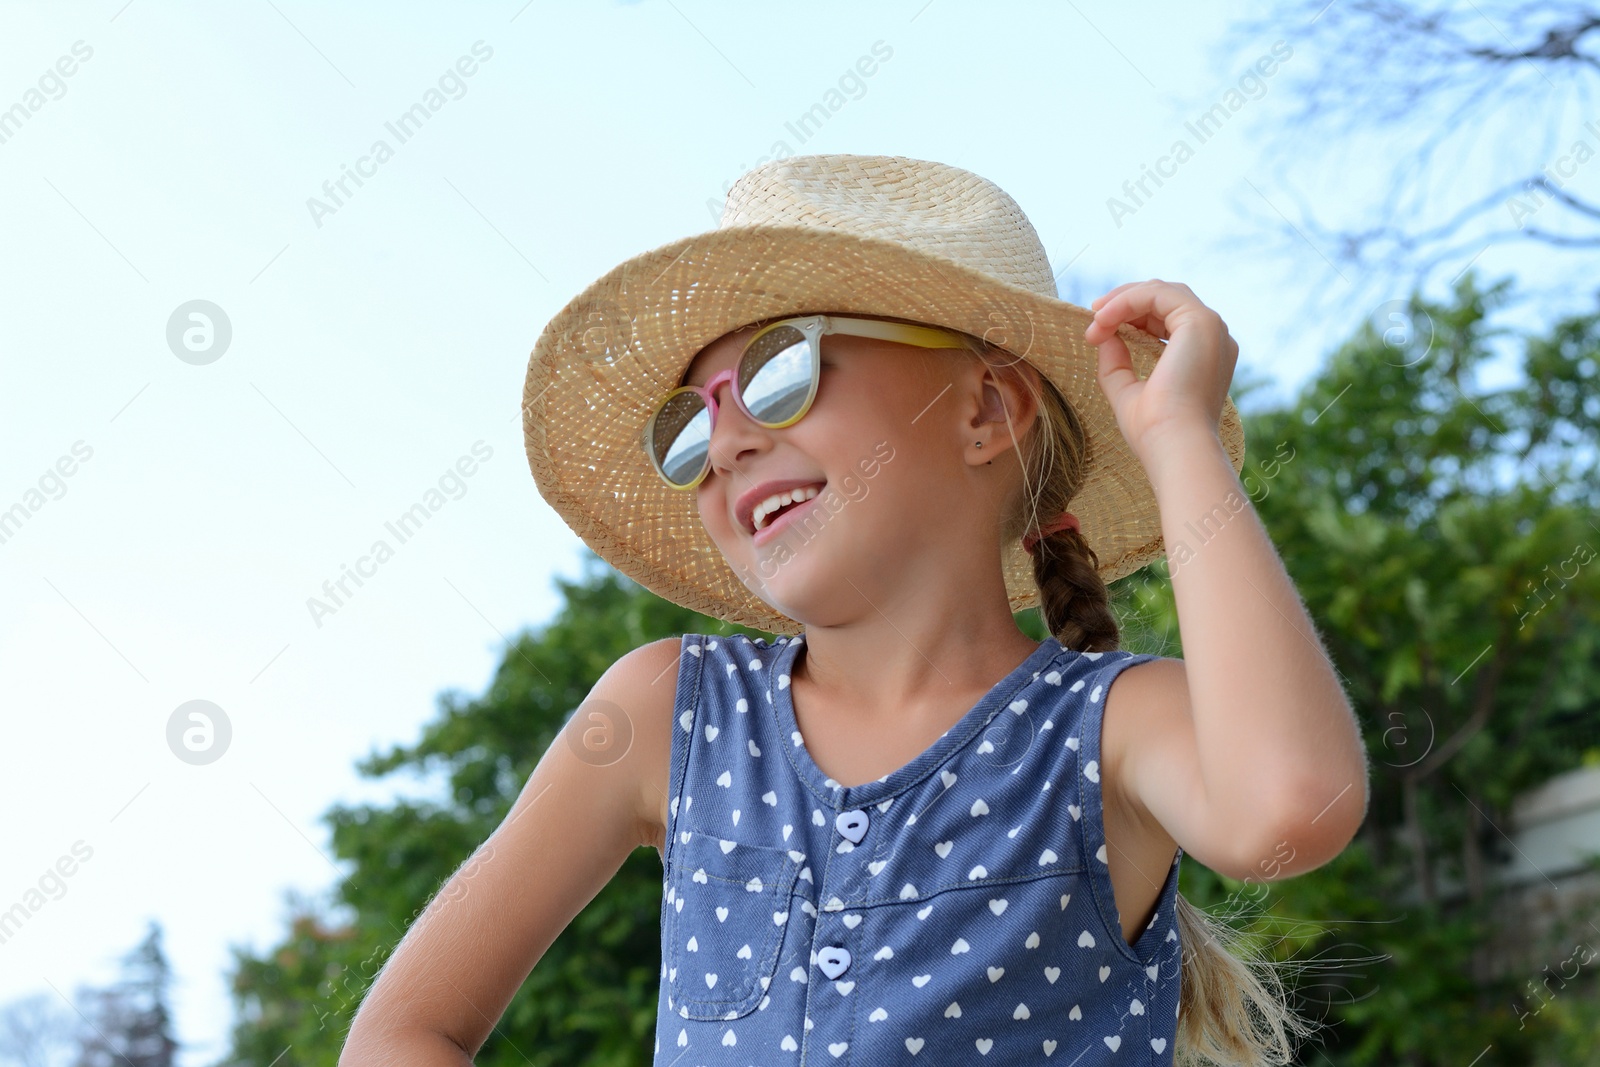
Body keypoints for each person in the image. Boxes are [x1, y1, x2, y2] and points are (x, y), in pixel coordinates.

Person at [339, 154, 1369, 1066]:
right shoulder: (669, 710)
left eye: (779, 371)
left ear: (983, 409)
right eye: (688, 427)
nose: (729, 438)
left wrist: (1177, 437)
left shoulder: (1109, 725)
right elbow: (398, 1030)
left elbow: (1290, 807)